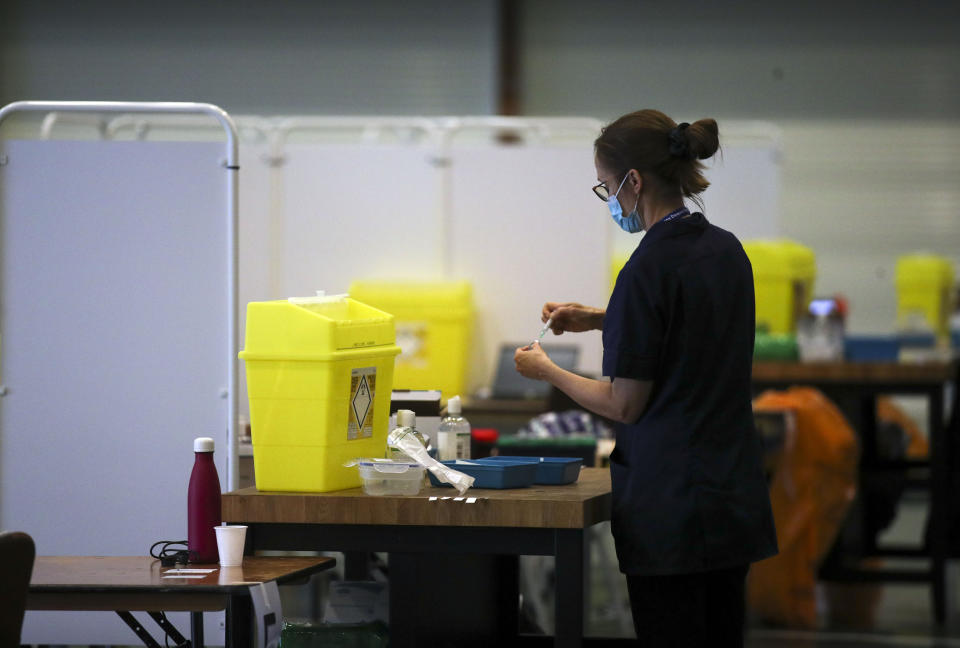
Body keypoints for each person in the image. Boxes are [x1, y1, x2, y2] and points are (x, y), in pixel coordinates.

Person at [514, 109, 777, 647]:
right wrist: (598, 318)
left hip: (673, 510)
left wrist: (547, 371)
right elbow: (688, 327)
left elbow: (623, 404)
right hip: (729, 497)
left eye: (605, 187)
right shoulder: (725, 250)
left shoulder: (645, 268)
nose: (608, 199)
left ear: (633, 182)